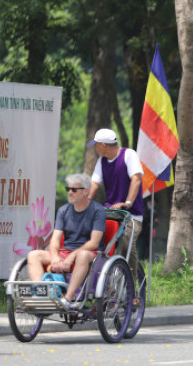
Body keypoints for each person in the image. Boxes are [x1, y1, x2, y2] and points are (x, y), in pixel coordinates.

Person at [27, 173, 106, 310]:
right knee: (33, 255)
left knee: (81, 255)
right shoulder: (63, 210)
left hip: (91, 254)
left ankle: (68, 299)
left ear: (86, 191)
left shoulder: (98, 211)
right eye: (68, 189)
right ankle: (41, 295)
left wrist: (71, 257)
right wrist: (56, 257)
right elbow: (55, 240)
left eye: (74, 190)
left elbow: (94, 243)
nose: (70, 192)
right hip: (66, 252)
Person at [87, 128, 143, 289]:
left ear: (103, 145)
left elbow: (136, 179)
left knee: (125, 244)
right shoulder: (102, 162)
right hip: (111, 213)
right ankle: (101, 284)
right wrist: (85, 202)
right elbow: (94, 184)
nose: (95, 148)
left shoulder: (128, 155)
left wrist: (128, 202)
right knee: (97, 241)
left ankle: (132, 290)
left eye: (96, 145)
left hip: (131, 215)